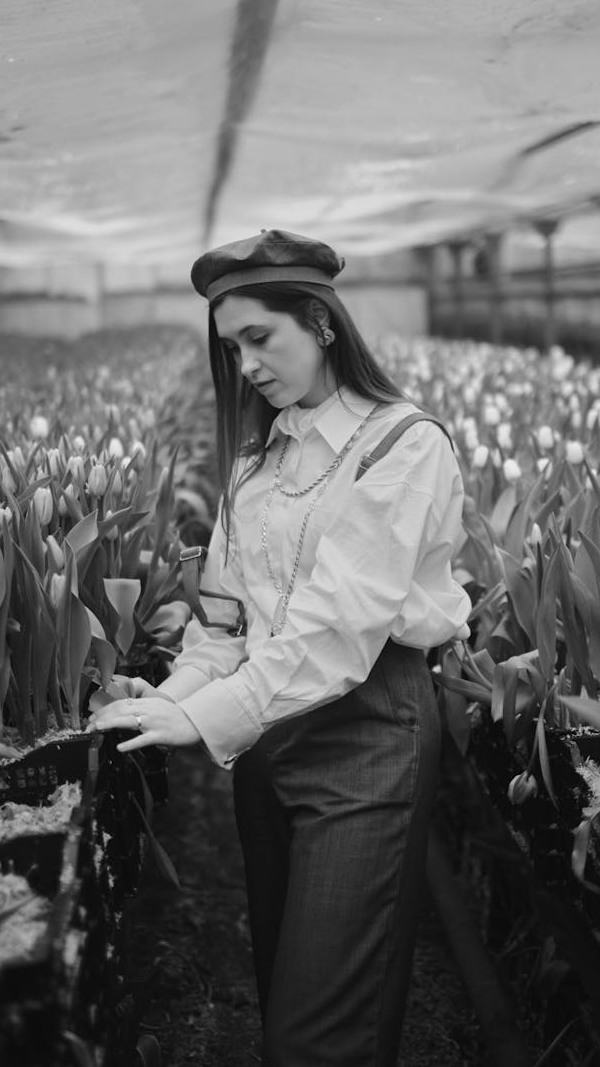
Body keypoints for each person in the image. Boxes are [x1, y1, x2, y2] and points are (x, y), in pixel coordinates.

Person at [87, 229, 471, 1067]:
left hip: (366, 736)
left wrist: (207, 715)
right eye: (232, 348)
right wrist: (174, 696)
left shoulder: (404, 447)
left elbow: (333, 635)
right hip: (267, 738)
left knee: (319, 1032)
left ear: (324, 323)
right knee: (281, 988)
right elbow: (226, 620)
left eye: (261, 337)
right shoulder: (258, 458)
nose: (248, 364)